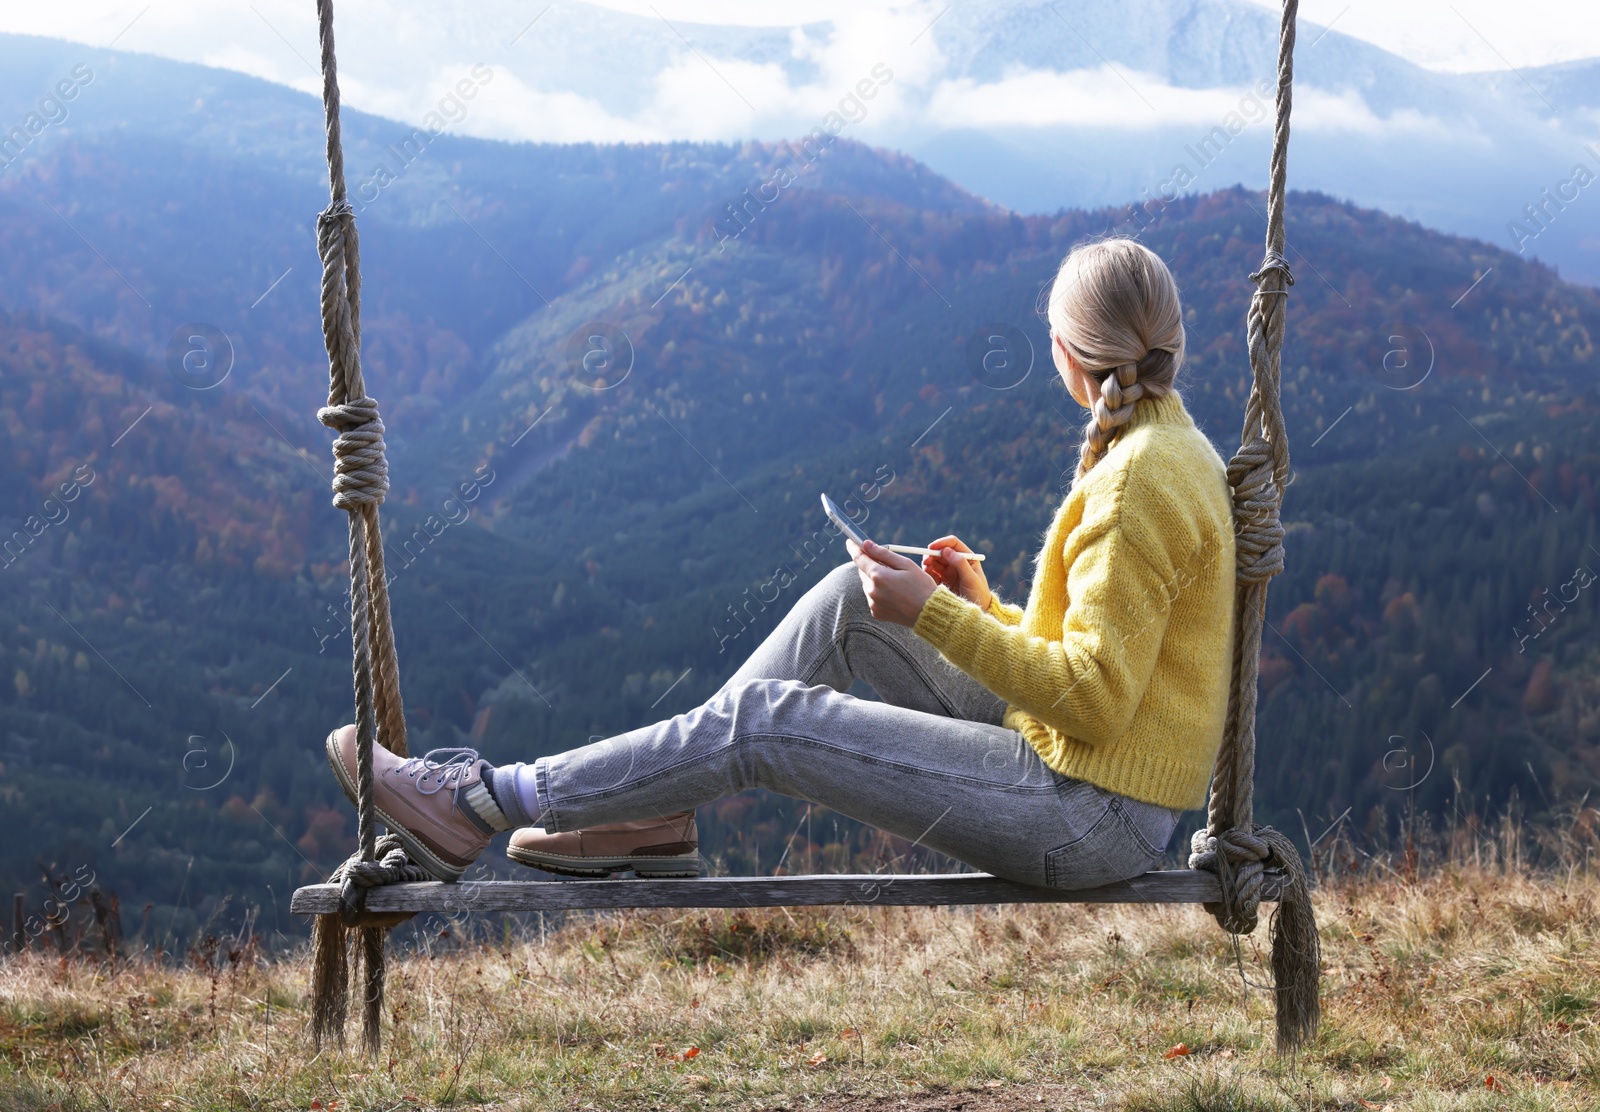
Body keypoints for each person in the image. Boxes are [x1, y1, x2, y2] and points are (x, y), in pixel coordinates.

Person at [324, 237, 1237, 890]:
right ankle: (652, 813)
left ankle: (483, 802)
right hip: (1097, 777)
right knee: (852, 599)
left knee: (766, 723)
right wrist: (980, 608)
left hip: (1088, 816)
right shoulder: (1167, 447)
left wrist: (934, 614)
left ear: (1067, 352)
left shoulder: (1134, 483)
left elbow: (1095, 697)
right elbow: (1105, 663)